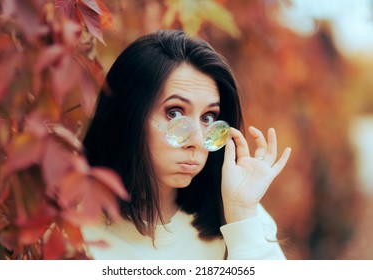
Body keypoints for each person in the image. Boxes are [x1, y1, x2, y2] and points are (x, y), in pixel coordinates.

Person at [81, 29, 291, 260]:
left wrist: (242, 217)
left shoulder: (242, 216)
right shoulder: (71, 225)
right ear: (128, 114)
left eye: (208, 118)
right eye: (174, 113)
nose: (198, 141)